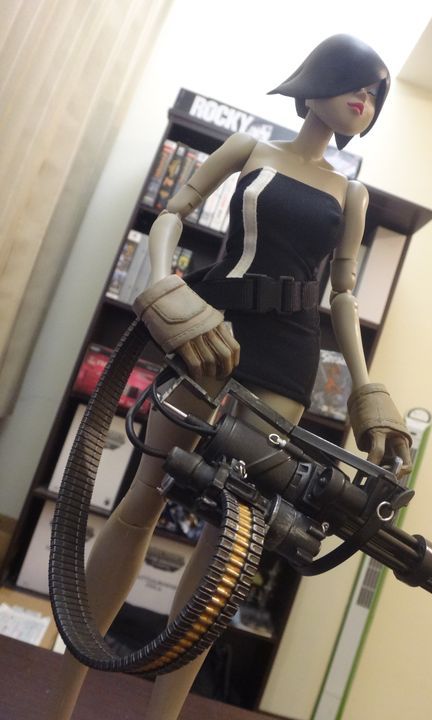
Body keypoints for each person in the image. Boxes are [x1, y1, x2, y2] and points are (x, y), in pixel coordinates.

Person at [48, 34, 412, 720]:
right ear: (317, 81)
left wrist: (367, 393)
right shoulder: (251, 150)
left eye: (375, 95)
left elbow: (341, 295)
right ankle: (61, 702)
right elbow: (173, 215)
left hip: (288, 360)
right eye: (355, 84)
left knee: (230, 543)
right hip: (210, 331)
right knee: (142, 498)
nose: (363, 100)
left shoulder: (353, 193)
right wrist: (165, 288)